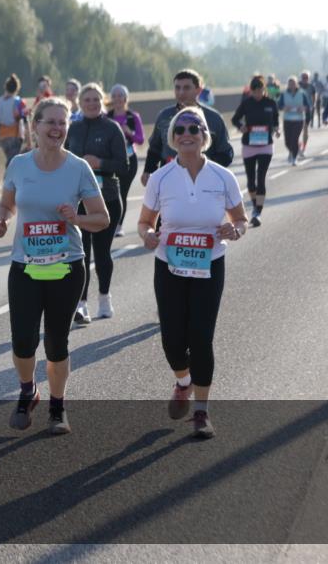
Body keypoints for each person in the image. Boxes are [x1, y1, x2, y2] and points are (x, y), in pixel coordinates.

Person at [0, 97, 108, 435]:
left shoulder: (77, 168)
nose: (57, 129)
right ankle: (28, 390)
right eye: (50, 122)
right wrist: (1, 220)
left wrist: (78, 217)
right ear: (35, 126)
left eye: (62, 123)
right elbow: (7, 204)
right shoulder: (18, 165)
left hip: (66, 267)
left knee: (57, 342)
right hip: (25, 267)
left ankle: (58, 407)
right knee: (22, 342)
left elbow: (103, 219)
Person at [137, 106, 248, 439]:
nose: (187, 134)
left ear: (204, 137)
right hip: (169, 265)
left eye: (194, 129)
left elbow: (241, 219)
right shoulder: (161, 178)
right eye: (181, 129)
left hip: (209, 264)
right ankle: (183, 381)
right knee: (173, 339)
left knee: (201, 337)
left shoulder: (223, 177)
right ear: (172, 138)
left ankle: (201, 412)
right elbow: (144, 222)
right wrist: (148, 235)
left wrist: (235, 230)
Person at [67, 83, 128, 322]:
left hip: (108, 198)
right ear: (80, 104)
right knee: (80, 254)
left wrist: (99, 163)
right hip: (78, 200)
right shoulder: (73, 128)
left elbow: (123, 166)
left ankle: (104, 298)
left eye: (95, 99)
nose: (91, 104)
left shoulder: (112, 128)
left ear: (102, 101)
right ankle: (81, 304)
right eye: (87, 100)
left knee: (102, 253)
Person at [142, 69, 234, 188]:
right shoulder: (164, 116)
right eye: (177, 88)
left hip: (203, 183)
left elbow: (226, 154)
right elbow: (155, 149)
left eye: (186, 88)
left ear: (198, 90)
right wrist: (148, 171)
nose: (181, 92)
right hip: (170, 183)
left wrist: (203, 167)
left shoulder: (213, 118)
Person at [232, 75, 280, 227]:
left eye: (259, 91)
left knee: (261, 179)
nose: (257, 94)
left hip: (266, 145)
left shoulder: (271, 103)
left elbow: (276, 119)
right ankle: (255, 205)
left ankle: (258, 212)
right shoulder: (247, 104)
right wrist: (241, 127)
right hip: (249, 145)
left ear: (264, 90)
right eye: (254, 92)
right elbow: (235, 119)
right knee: (251, 182)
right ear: (251, 91)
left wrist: (276, 129)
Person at [108, 84, 144, 237]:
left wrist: (129, 132)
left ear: (125, 98)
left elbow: (141, 140)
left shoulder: (133, 116)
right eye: (114, 95)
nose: (117, 99)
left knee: (122, 192)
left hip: (129, 159)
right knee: (109, 192)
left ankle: (118, 225)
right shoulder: (106, 117)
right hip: (110, 160)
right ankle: (108, 223)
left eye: (120, 95)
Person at [0, 74, 29, 166]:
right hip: (15, 135)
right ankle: (8, 176)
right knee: (12, 160)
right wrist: (28, 140)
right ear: (17, 88)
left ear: (5, 87)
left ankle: (10, 177)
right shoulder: (19, 102)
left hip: (3, 135)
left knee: (10, 158)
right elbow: (25, 120)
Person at [278, 75, 309, 166]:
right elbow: (279, 105)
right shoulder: (284, 94)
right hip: (287, 119)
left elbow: (308, 105)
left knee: (294, 139)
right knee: (287, 141)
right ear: (288, 84)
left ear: (296, 84)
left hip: (299, 119)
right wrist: (284, 107)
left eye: (293, 83)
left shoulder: (302, 93)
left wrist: (303, 108)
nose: (292, 85)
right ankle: (293, 151)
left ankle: (294, 158)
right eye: (290, 83)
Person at [298, 71, 316, 156]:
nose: (305, 79)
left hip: (307, 110)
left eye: (306, 77)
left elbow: (313, 98)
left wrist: (312, 106)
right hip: (297, 110)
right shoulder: (297, 85)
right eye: (303, 77)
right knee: (297, 131)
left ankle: (304, 148)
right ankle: (298, 146)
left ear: (309, 78)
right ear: (301, 78)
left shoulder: (311, 87)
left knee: (305, 130)